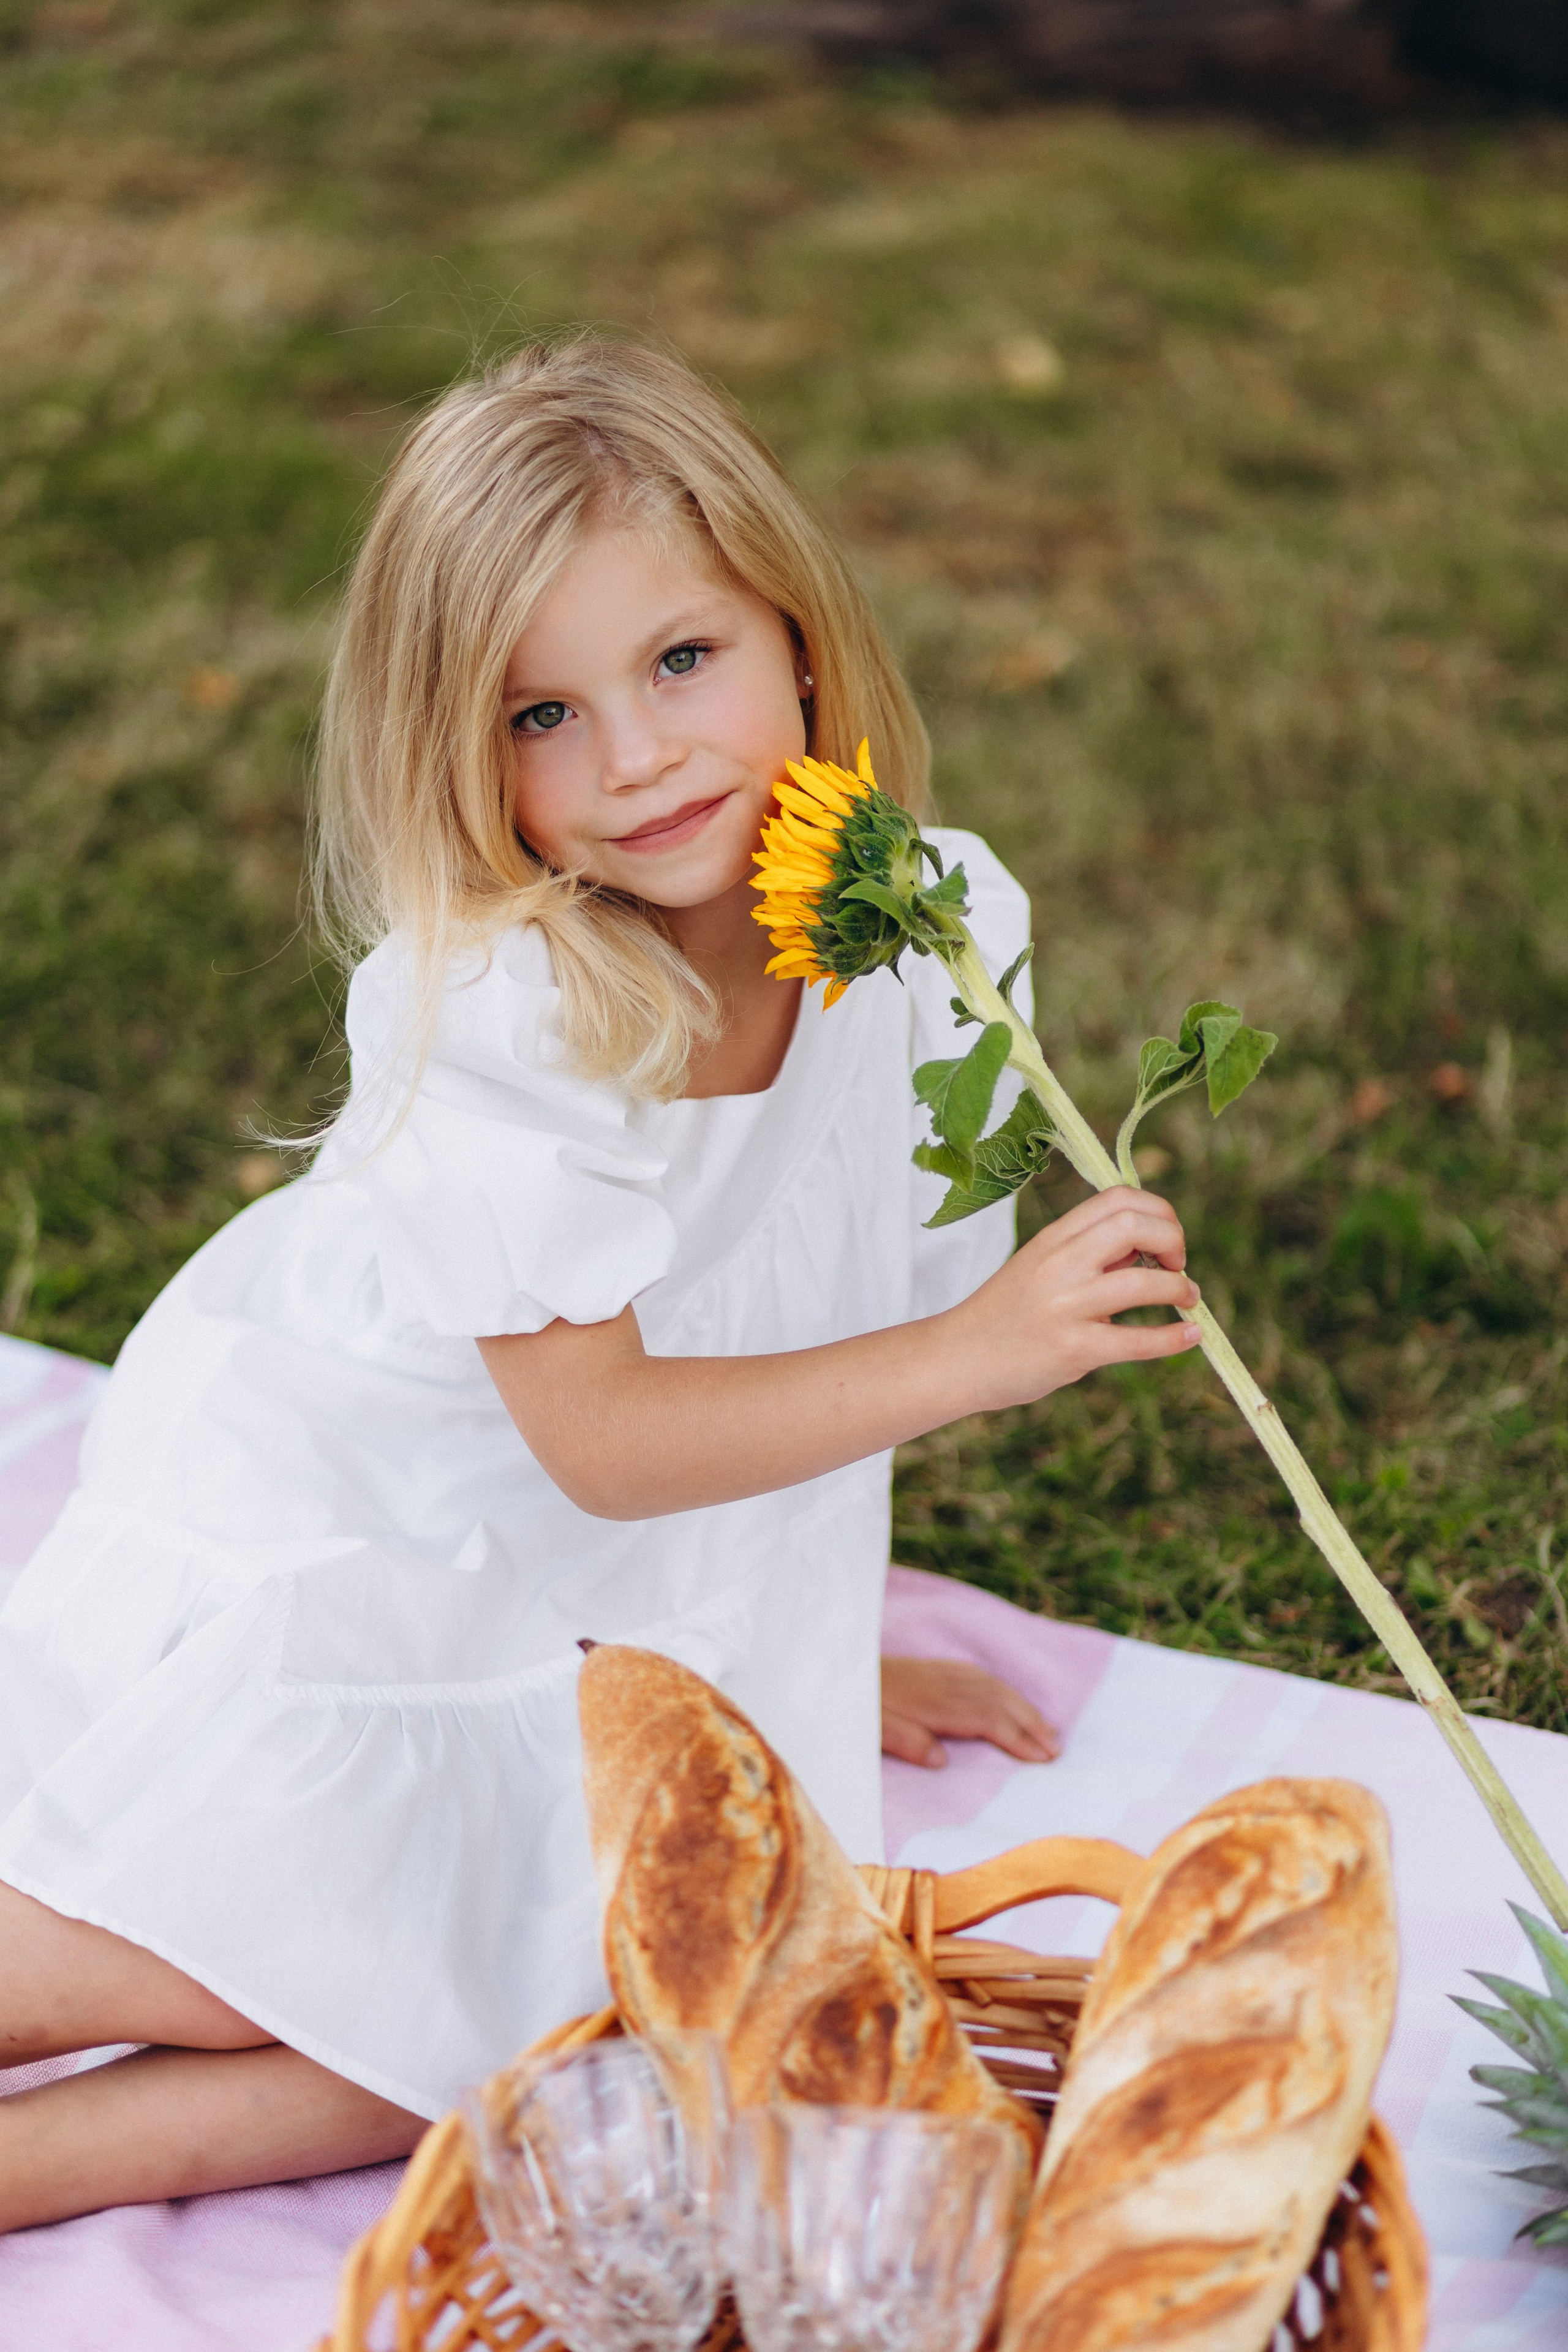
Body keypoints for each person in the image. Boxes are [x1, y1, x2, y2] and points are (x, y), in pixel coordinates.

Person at [0, 339, 1200, 2226]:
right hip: (377, 1504)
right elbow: (610, 1442)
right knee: (276, 1933)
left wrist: (807, 1652)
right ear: (453, 752)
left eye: (681, 659)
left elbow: (816, 1316)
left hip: (604, 1572)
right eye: (539, 714)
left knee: (558, 2008)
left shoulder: (938, 934)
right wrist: (978, 1353)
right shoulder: (497, 1002)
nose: (635, 756)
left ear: (799, 639)